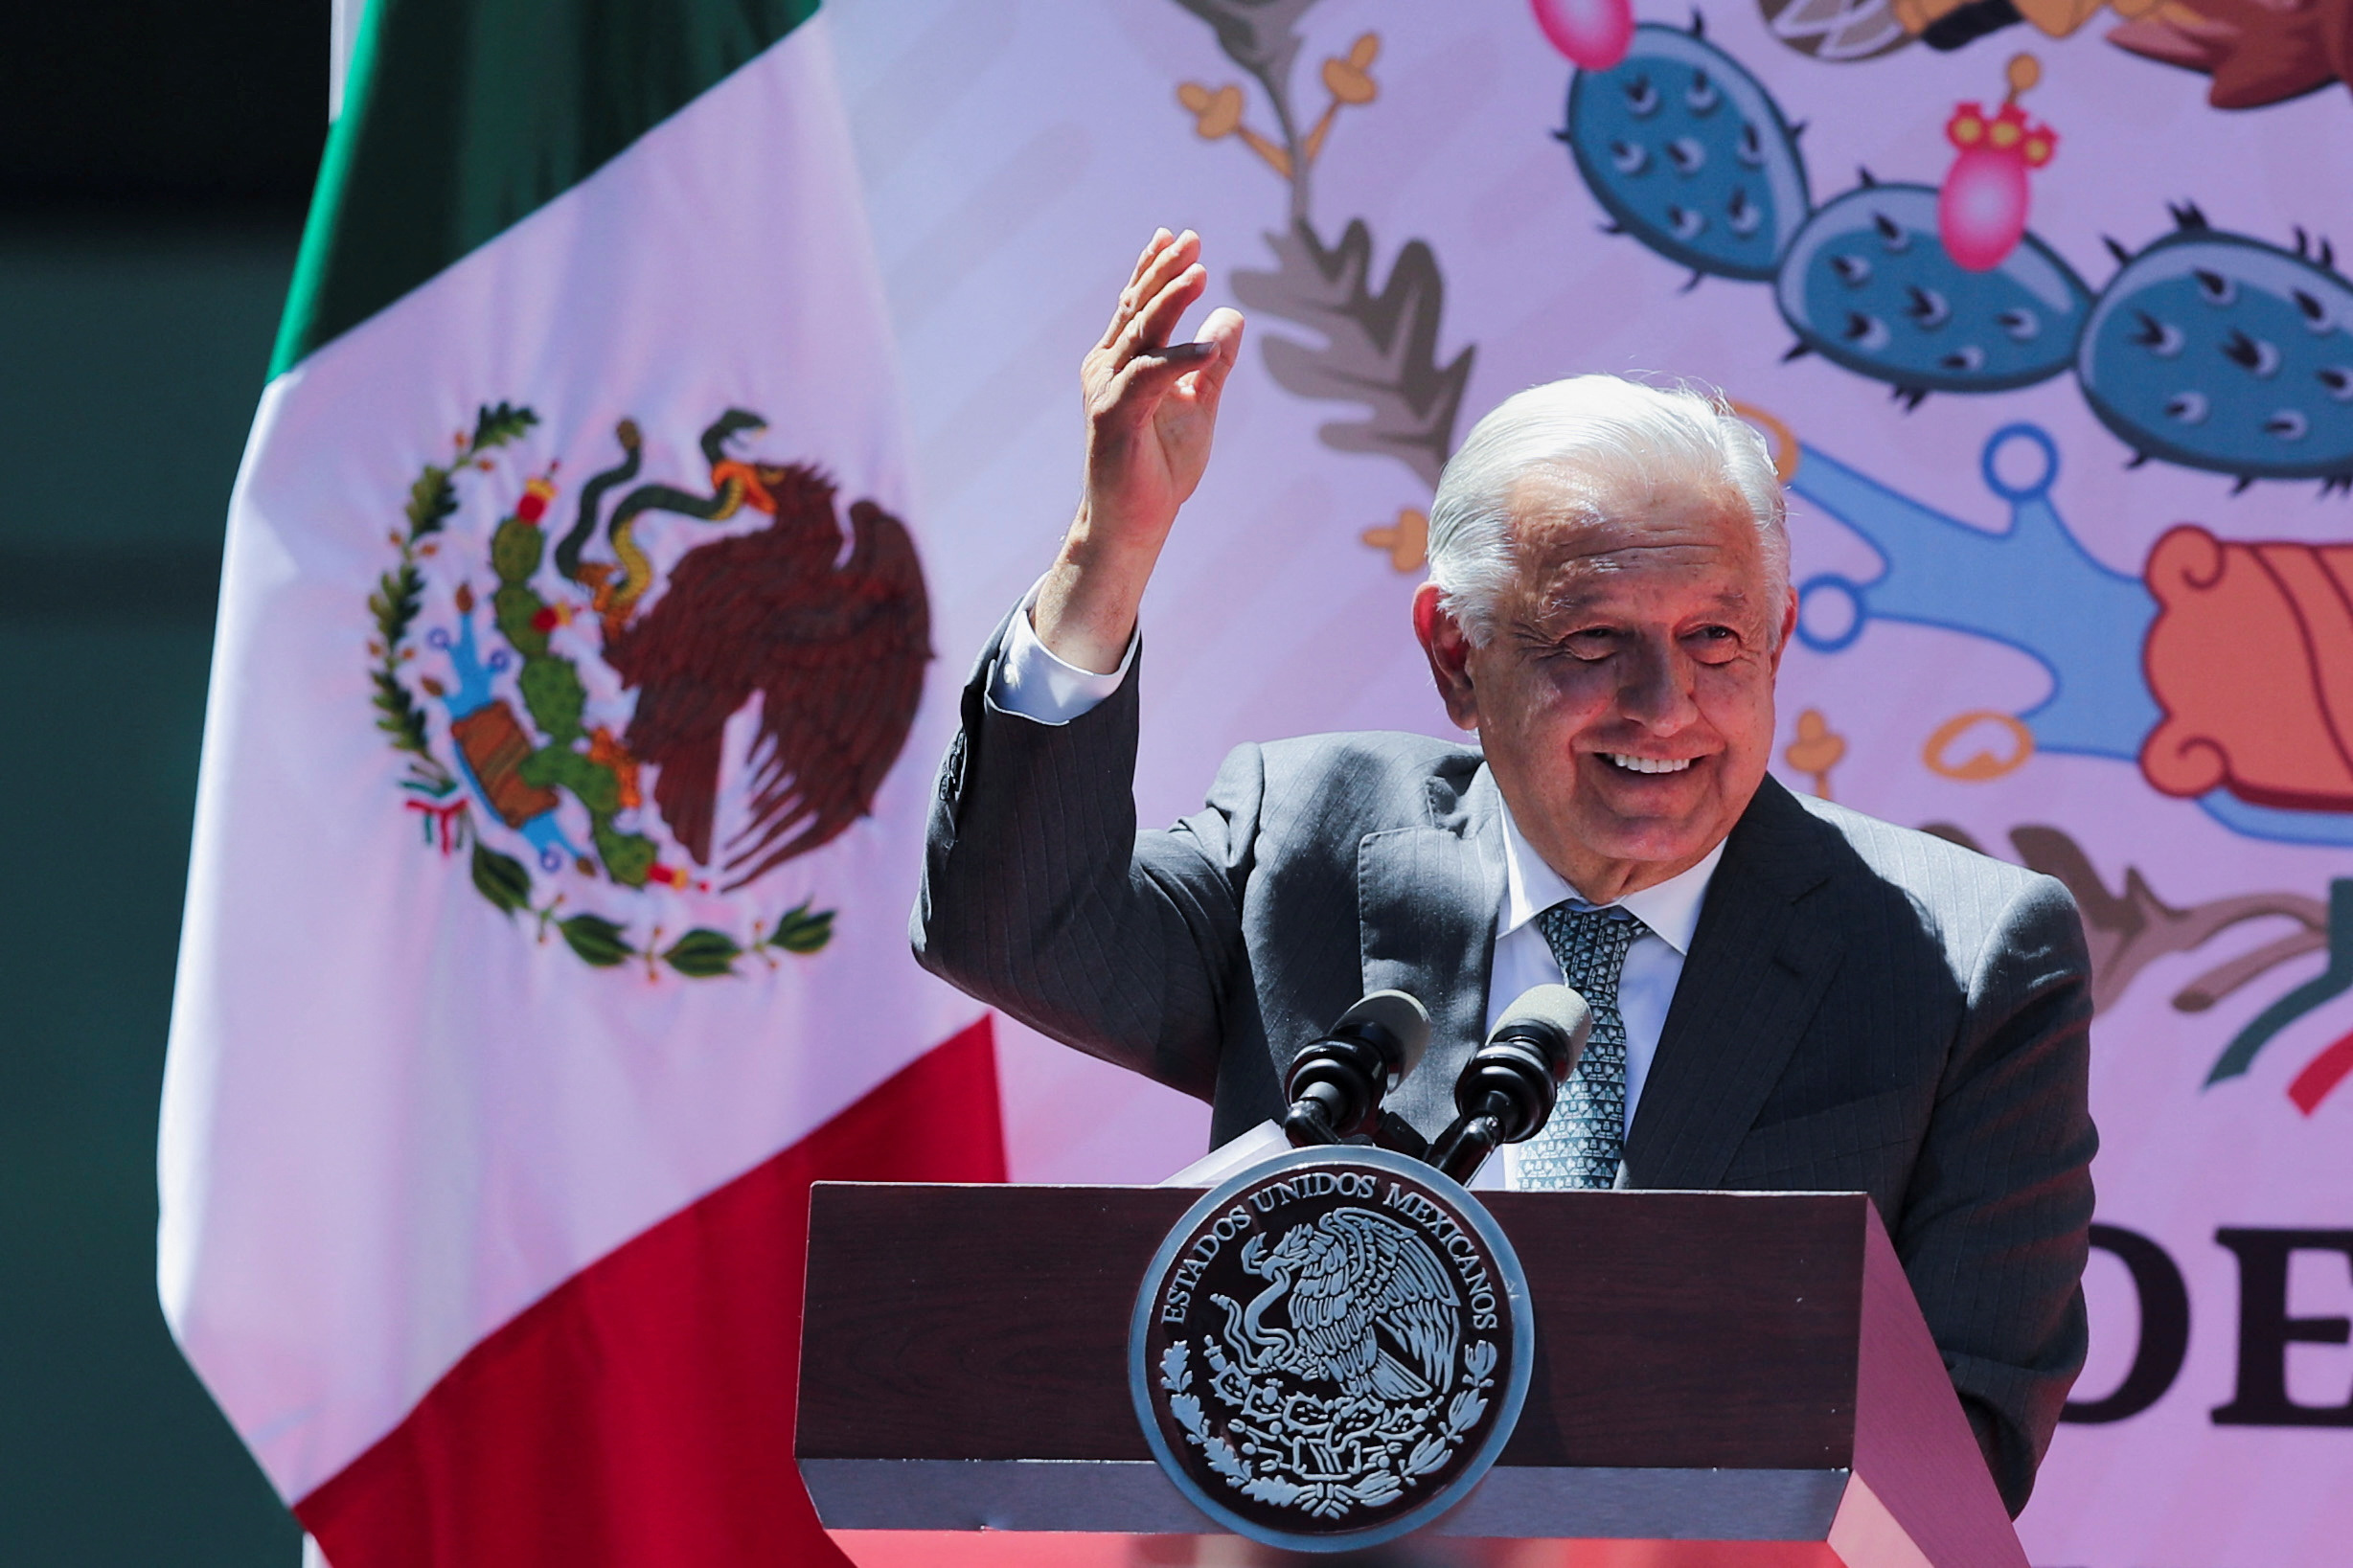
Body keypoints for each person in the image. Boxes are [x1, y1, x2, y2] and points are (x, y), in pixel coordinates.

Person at [911, 229, 2094, 1515]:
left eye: (1715, 638)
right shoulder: (1308, 841)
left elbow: (1960, 1451)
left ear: (1780, 640)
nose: (1665, 706)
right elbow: (1013, 929)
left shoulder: (1962, 959)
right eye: (1594, 641)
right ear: (1456, 655)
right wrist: (1114, 544)